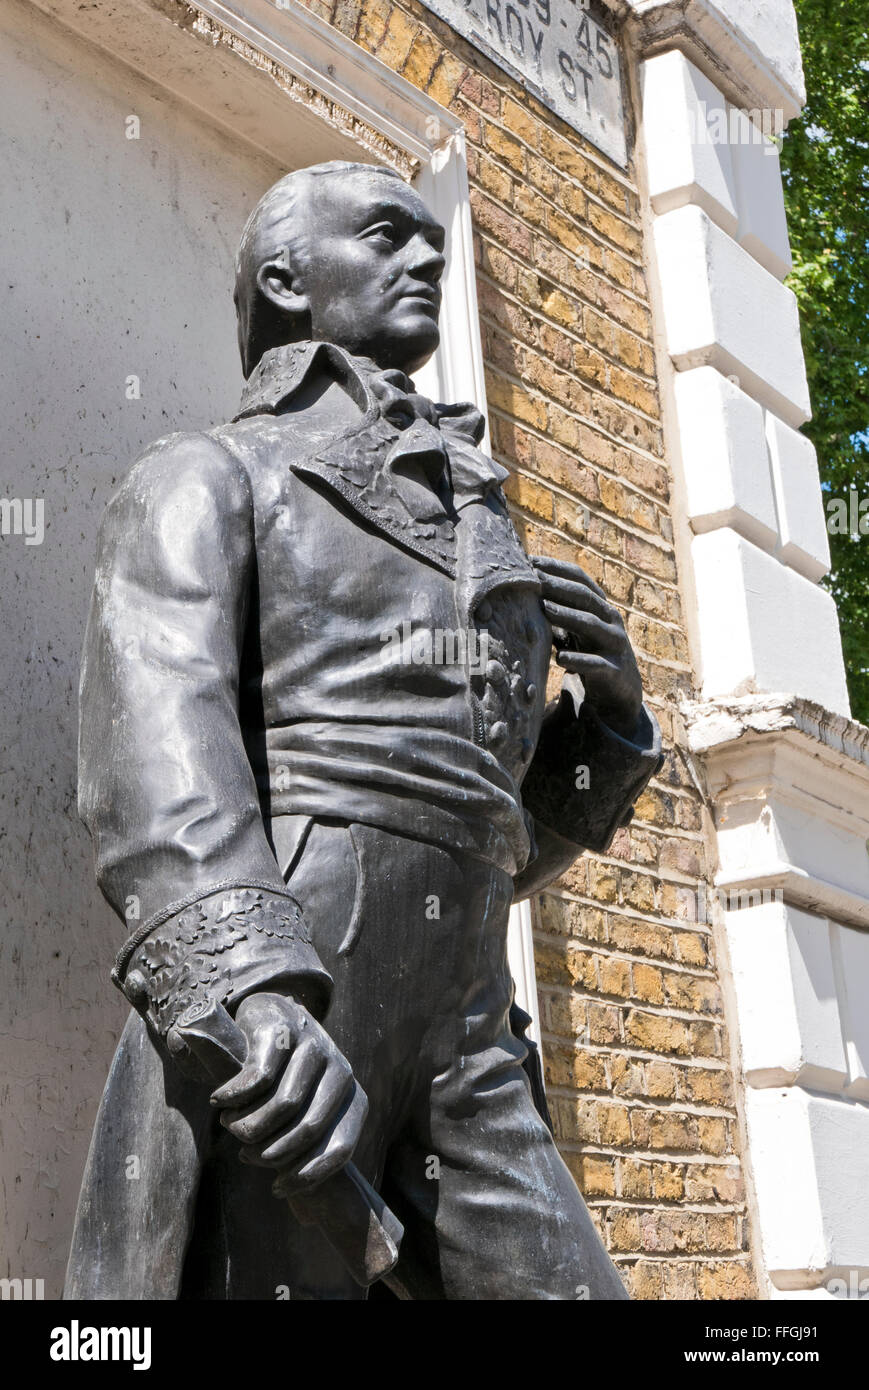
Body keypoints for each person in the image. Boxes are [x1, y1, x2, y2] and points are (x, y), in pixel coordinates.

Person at [66, 162, 662, 1300]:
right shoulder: (206, 474)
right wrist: (253, 990)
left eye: (434, 240)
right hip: (300, 978)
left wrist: (607, 730)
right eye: (388, 235)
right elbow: (158, 749)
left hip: (470, 1015)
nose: (429, 259)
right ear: (285, 278)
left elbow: (478, 838)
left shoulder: (471, 531)